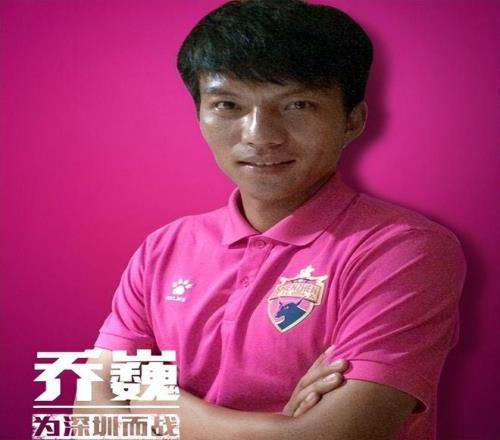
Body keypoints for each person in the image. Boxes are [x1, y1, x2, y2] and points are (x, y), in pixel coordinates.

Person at [76, 1, 466, 438]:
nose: (259, 135)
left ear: (353, 120)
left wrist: (148, 397)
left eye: (297, 104)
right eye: (228, 105)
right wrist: (278, 427)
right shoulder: (164, 247)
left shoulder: (403, 249)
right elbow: (92, 418)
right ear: (199, 115)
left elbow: (329, 437)